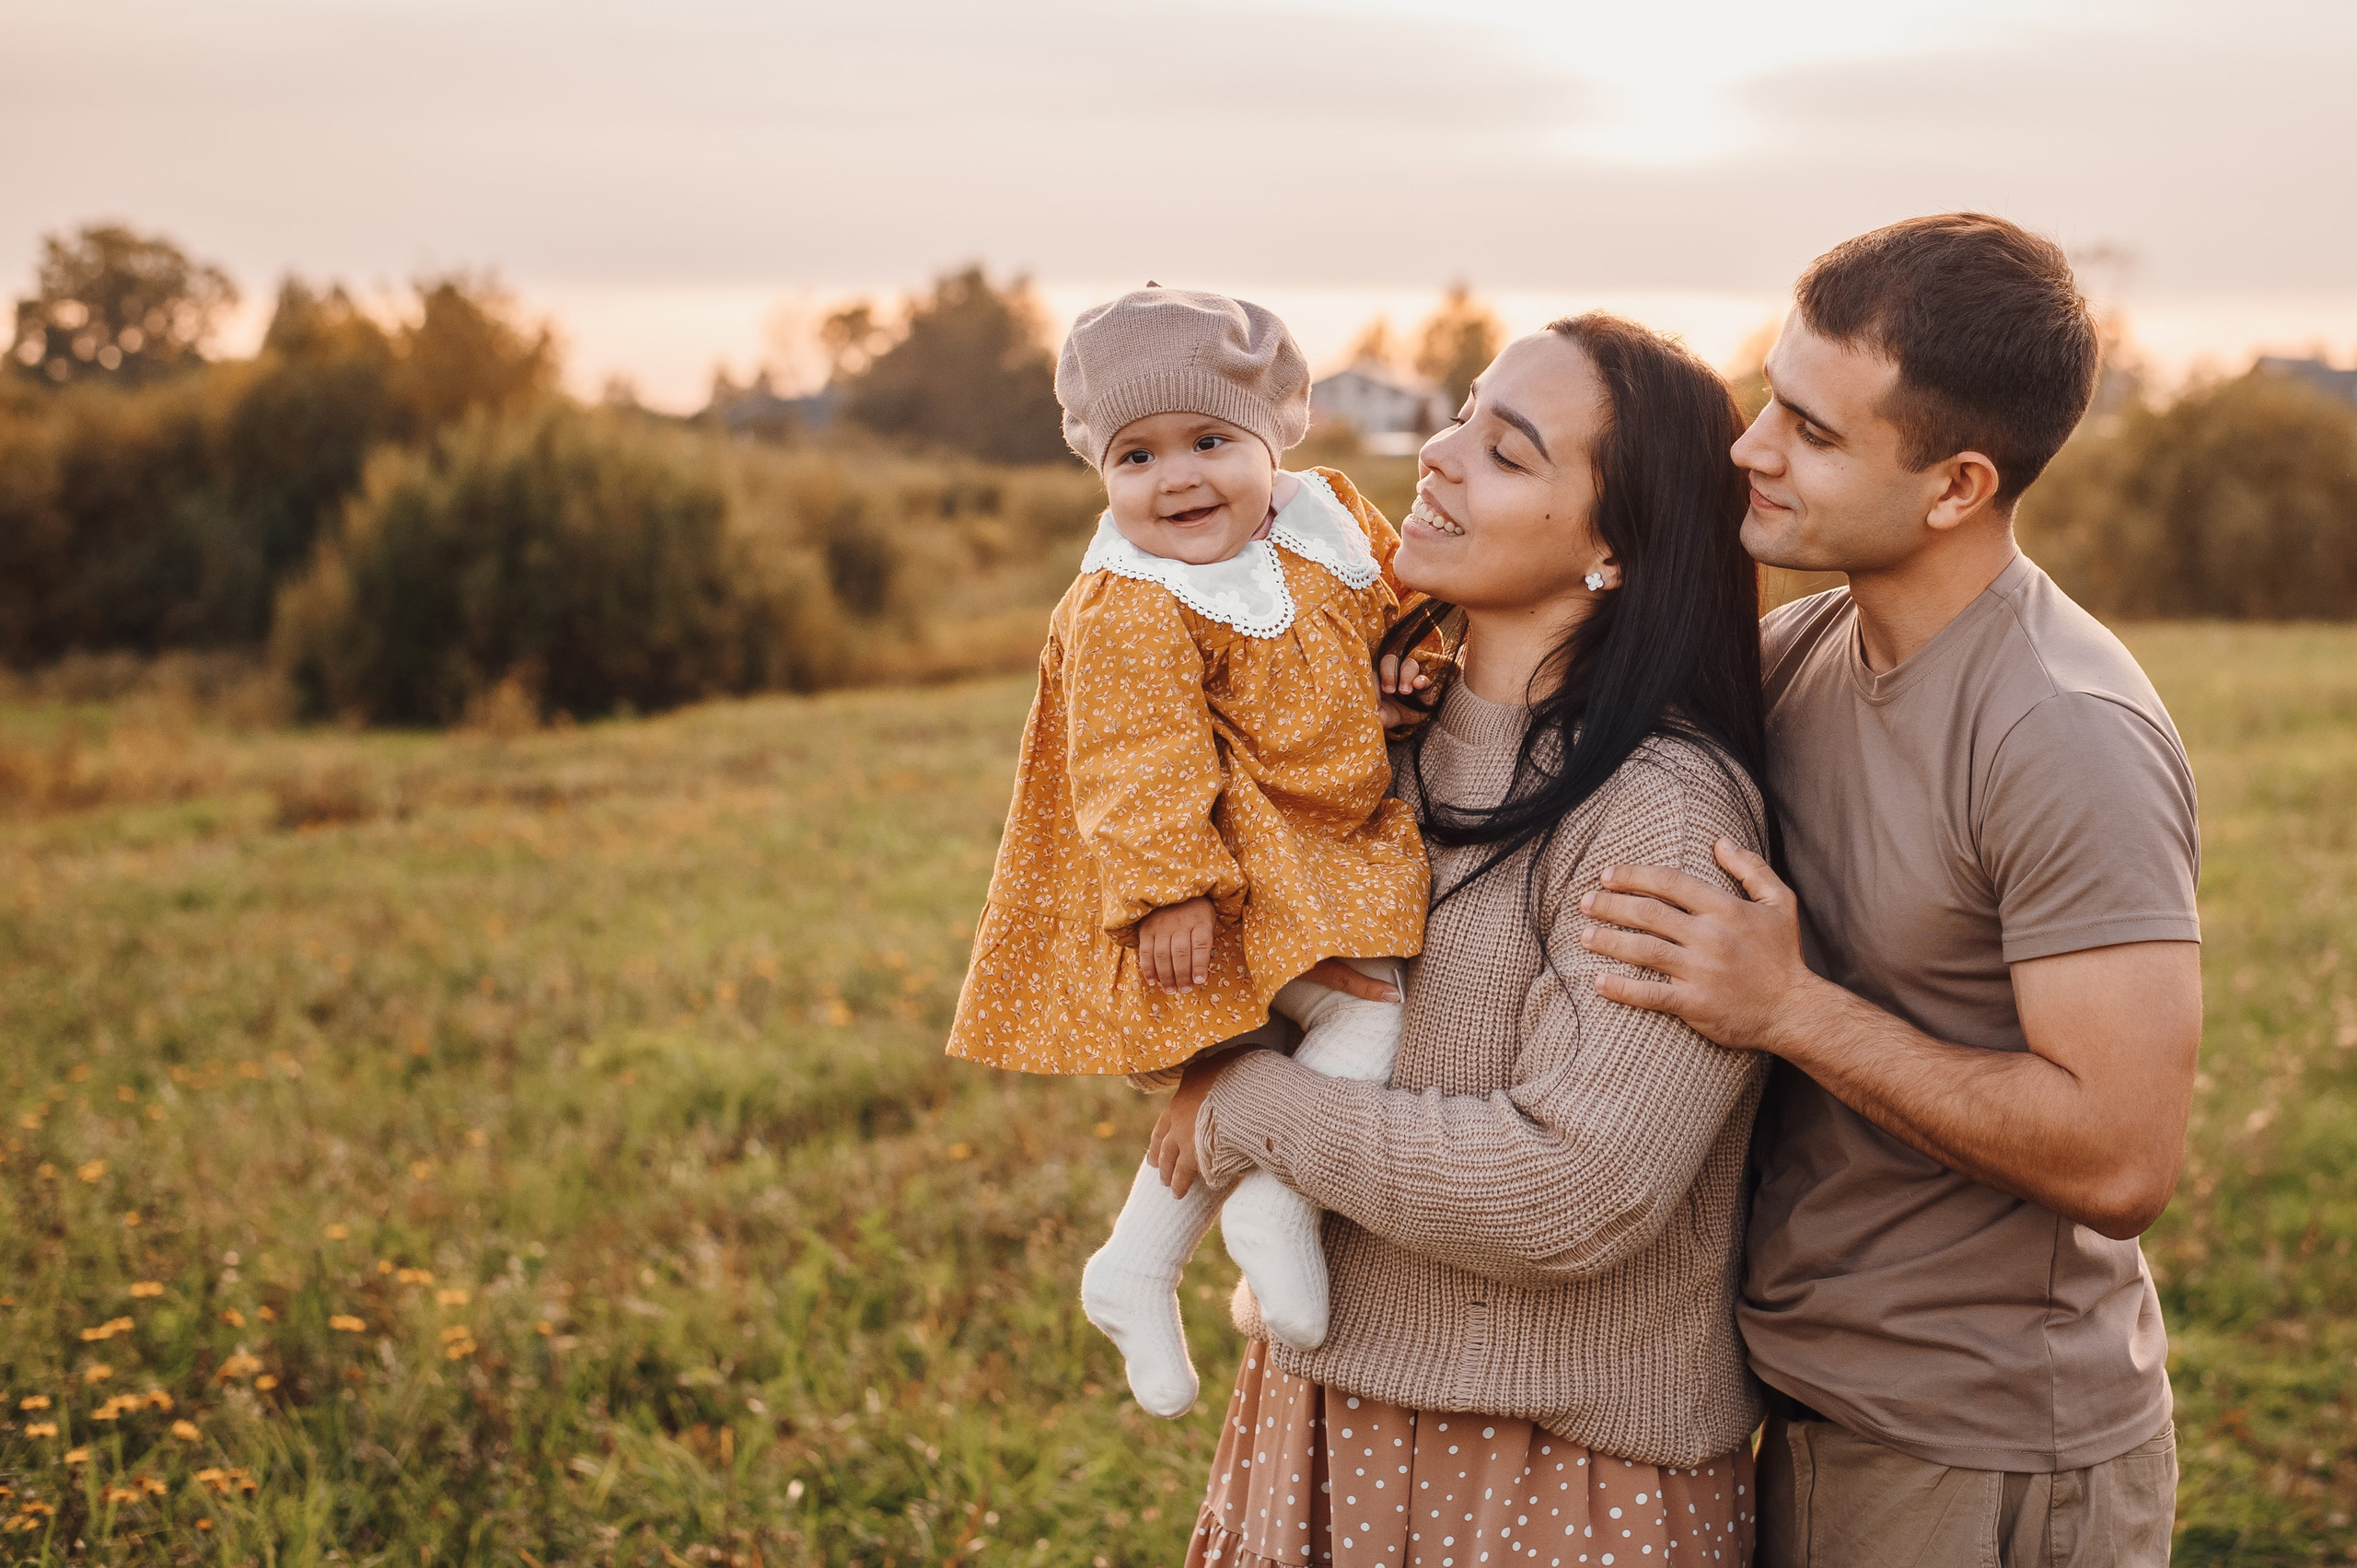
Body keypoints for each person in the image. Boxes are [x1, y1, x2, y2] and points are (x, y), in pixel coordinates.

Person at [1578, 215, 2201, 1566]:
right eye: (1767, 393)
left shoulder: (2064, 729)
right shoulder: (1801, 648)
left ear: (1956, 484)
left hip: (1980, 1442)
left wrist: (1791, 1007)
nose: (1749, 445)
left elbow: (2123, 1154)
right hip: (1801, 1396)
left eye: (1809, 427)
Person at [1151, 313, 1775, 1567]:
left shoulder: (1656, 810)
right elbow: (1168, 1024)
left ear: (1615, 539)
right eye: (1463, 413)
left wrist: (1248, 1100)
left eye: (1507, 448)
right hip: (1316, 1410)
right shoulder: (1374, 748)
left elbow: (1577, 1190)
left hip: (1545, 1475)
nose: (1437, 453)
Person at [944, 285, 1434, 1420]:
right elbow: (1131, 757)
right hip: (1224, 873)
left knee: (1295, 1033)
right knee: (1363, 1010)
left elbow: (1402, 623)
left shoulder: (1328, 527)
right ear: (1099, 470)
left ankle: (1136, 1259)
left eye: (1211, 441)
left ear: (1274, 435)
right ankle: (1274, 1197)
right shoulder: (1130, 598)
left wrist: (1409, 681)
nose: (1177, 480)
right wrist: (1170, 888)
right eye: (1136, 455)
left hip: (1320, 848)